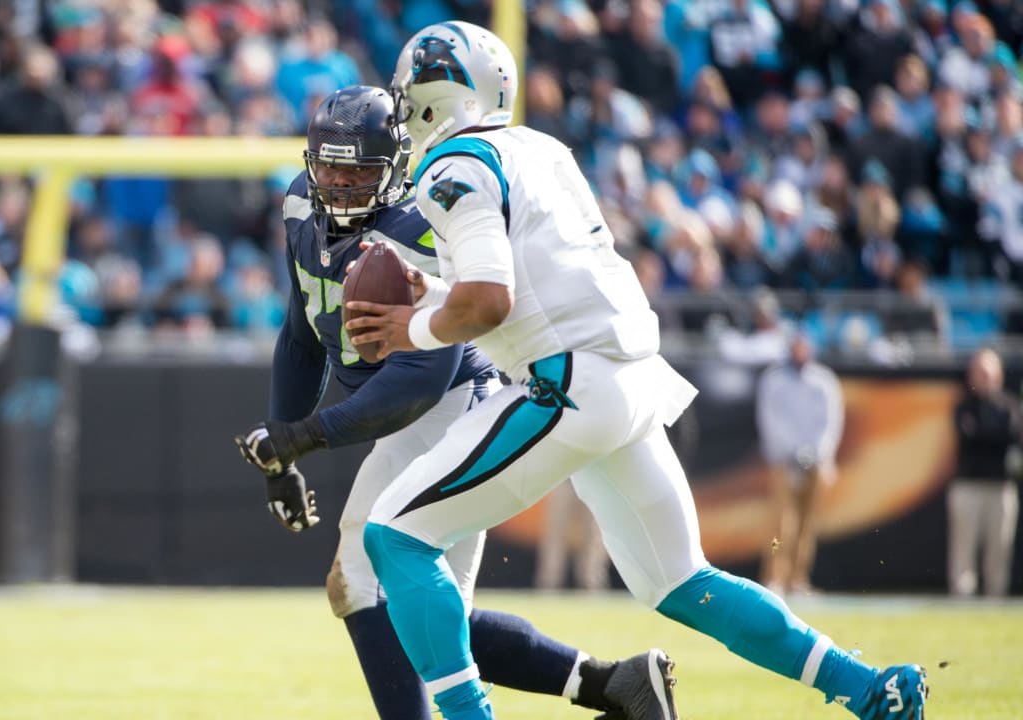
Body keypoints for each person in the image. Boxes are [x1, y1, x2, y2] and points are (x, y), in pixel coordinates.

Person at [344, 21, 928, 720]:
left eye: (413, 101)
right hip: (627, 378)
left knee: (394, 535)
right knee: (681, 580)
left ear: (441, 97)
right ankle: (869, 688)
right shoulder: (538, 149)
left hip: (565, 382)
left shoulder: (455, 168)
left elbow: (492, 302)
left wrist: (407, 325)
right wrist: (433, 294)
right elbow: (527, 290)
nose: (407, 116)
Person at [234, 85, 676, 720]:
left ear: (393, 169)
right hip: (412, 411)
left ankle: (608, 686)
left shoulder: (419, 224)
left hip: (451, 405)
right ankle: (616, 685)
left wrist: (301, 437)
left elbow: (417, 384)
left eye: (356, 170)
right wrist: (283, 457)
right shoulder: (301, 206)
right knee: (430, 611)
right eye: (327, 165)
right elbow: (303, 335)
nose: (336, 182)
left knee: (366, 587)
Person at [755, 333, 844, 596]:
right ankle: (774, 577)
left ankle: (798, 578)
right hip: (782, 459)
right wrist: (793, 449)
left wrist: (816, 452)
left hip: (816, 460)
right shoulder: (774, 379)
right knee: (781, 523)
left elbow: (831, 422)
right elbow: (769, 419)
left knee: (807, 524)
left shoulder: (824, 381)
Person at [948, 347, 1020, 598]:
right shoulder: (963, 406)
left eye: (988, 373)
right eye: (979, 372)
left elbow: (1011, 438)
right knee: (963, 549)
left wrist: (988, 435)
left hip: (1000, 486)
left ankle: (995, 596)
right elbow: (969, 437)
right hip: (968, 485)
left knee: (998, 549)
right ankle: (962, 596)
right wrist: (995, 436)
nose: (984, 378)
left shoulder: (1010, 406)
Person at [534, 480, 610, 592]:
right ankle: (549, 585)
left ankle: (593, 587)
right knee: (555, 537)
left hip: (592, 483)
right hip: (564, 481)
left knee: (593, 540)